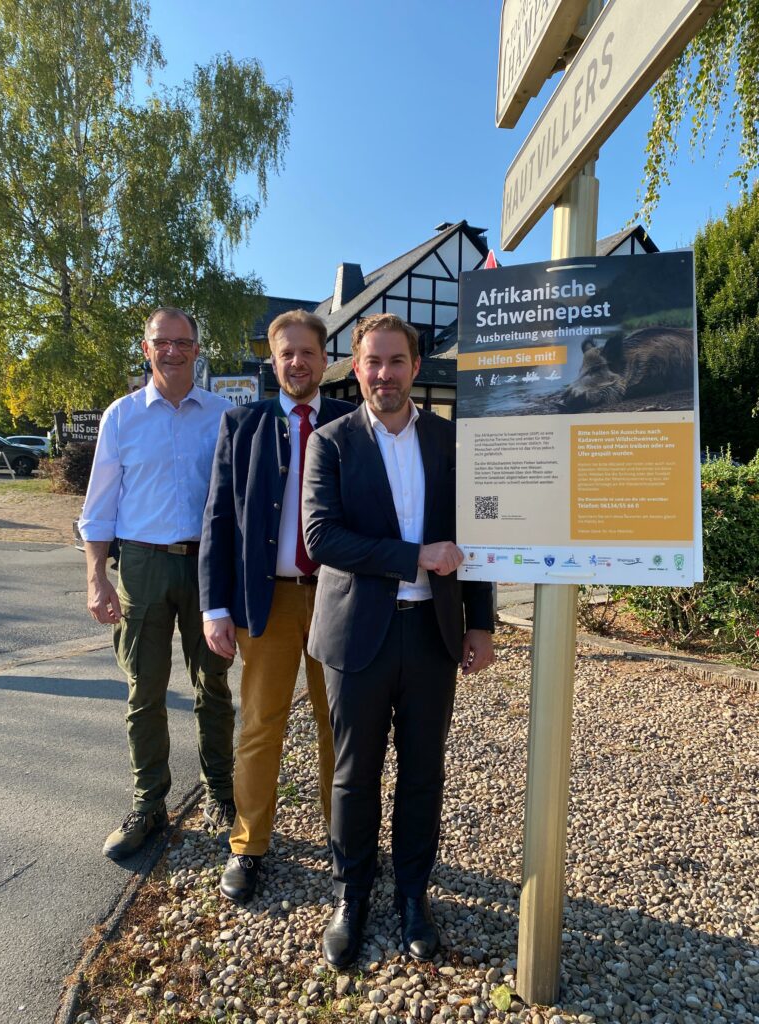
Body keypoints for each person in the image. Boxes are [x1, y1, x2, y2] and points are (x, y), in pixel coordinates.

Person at [303, 313, 495, 968]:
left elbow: (471, 540)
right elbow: (321, 538)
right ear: (355, 369)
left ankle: (414, 896)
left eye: (395, 361)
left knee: (422, 775)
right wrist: (415, 556)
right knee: (355, 778)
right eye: (372, 362)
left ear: (415, 367)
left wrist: (482, 621)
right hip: (359, 634)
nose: (383, 374)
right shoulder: (330, 443)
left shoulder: (446, 440)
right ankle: (351, 896)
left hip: (432, 635)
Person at [198, 309, 354, 903]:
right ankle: (248, 844)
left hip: (339, 599)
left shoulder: (350, 422)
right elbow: (217, 521)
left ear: (324, 358)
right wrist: (216, 607)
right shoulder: (243, 425)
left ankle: (344, 841)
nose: (297, 362)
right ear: (272, 360)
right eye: (285, 353)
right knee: (260, 725)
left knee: (338, 727)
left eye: (307, 352)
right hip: (266, 602)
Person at [79, 306, 235, 860]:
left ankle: (222, 792)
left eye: (182, 342)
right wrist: (97, 577)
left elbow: (236, 506)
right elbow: (98, 509)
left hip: (206, 567)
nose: (172, 351)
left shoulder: (223, 416)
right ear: (145, 349)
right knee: (143, 691)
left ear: (198, 348)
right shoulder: (121, 418)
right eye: (161, 342)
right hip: (141, 567)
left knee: (212, 686)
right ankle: (149, 803)